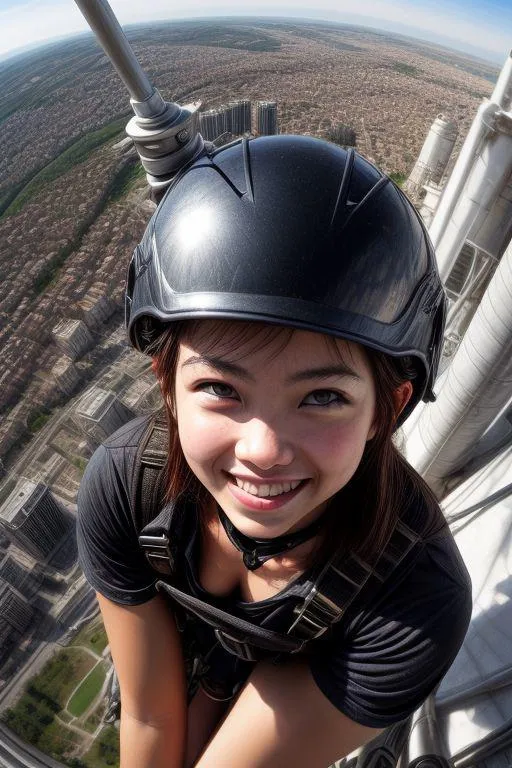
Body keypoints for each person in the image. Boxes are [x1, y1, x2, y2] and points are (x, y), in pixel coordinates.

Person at [77, 134, 472, 768]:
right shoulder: (128, 488)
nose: (263, 450)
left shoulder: (414, 600)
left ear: (388, 410)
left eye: (321, 398)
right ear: (166, 385)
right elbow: (149, 716)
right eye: (219, 388)